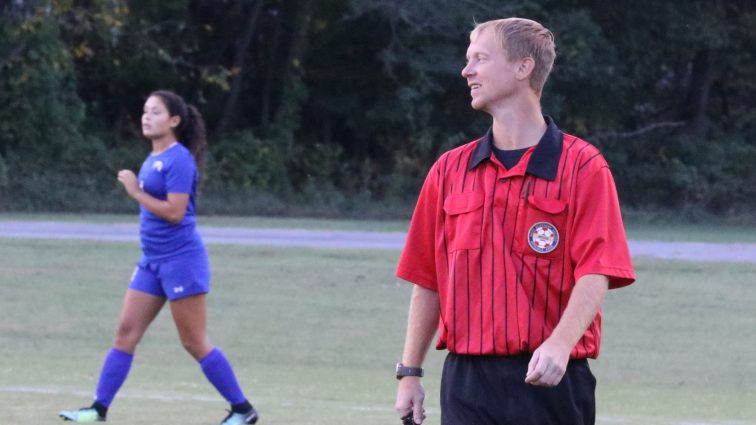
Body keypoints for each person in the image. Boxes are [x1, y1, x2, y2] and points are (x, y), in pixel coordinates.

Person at [394, 18, 635, 425]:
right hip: (467, 383)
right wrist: (409, 372)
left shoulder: (583, 167)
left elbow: (598, 270)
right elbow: (428, 278)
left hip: (550, 380)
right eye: (468, 60)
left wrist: (559, 345)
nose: (466, 71)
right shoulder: (449, 170)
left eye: (480, 59)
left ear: (523, 68)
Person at [59, 90, 259, 425]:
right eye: (144, 111)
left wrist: (136, 192)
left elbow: (176, 213)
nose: (146, 117)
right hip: (151, 261)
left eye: (155, 112)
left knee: (193, 341)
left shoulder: (179, 159)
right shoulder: (153, 158)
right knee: (125, 332)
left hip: (181, 260)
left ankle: (243, 410)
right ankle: (98, 410)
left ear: (174, 121)